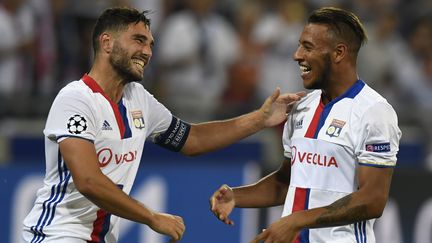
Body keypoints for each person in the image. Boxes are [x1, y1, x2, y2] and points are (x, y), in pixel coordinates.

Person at [21, 6, 304, 243]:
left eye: (150, 44)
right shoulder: (75, 98)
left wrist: (259, 119)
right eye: (138, 40)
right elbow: (88, 181)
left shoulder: (138, 99)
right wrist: (151, 217)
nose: (147, 51)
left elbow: (192, 139)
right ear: (107, 43)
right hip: (55, 234)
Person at [210, 7, 402, 243]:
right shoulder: (301, 107)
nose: (297, 55)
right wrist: (236, 196)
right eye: (300, 45)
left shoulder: (374, 112)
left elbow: (373, 199)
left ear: (339, 53)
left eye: (308, 47)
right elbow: (286, 182)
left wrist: (297, 220)